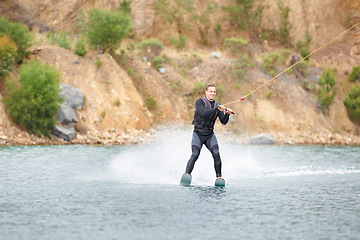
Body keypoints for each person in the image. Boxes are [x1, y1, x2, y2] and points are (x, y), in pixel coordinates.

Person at [184, 84, 233, 180]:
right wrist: (217, 109)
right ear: (206, 92)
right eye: (210, 91)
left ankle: (219, 177)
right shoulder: (200, 102)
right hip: (198, 134)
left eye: (214, 92)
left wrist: (227, 114)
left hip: (209, 135)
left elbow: (223, 122)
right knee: (195, 154)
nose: (212, 93)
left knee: (216, 153)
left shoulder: (217, 105)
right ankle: (187, 175)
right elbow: (203, 113)